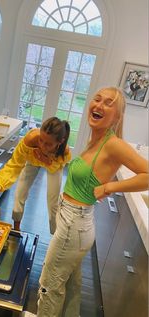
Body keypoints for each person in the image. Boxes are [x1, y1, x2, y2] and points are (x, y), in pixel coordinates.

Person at [32, 87, 149, 317]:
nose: (99, 105)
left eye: (108, 103)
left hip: (74, 225)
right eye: (97, 99)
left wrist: (109, 187)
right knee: (71, 285)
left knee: (49, 285)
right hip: (74, 223)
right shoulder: (96, 139)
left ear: (117, 117)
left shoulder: (112, 143)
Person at [0, 117, 71, 233]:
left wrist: (45, 159)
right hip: (32, 160)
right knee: (20, 193)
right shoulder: (30, 140)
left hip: (53, 165)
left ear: (59, 142)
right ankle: (16, 229)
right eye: (41, 140)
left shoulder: (64, 151)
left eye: (48, 144)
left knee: (53, 202)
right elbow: (14, 165)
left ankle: (55, 235)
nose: (42, 146)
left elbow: (54, 167)